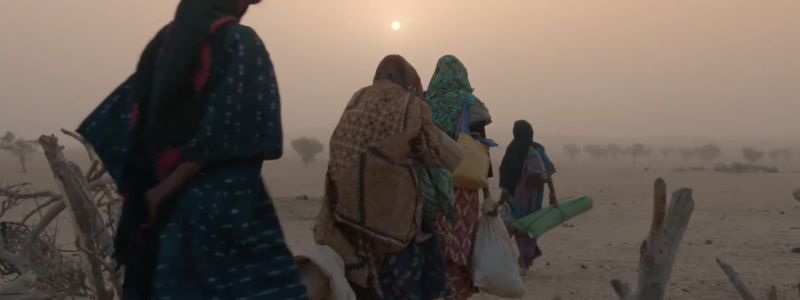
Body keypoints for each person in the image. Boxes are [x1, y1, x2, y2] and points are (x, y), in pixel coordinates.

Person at [75, 1, 308, 299]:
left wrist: (151, 192)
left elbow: (126, 120)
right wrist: (166, 188)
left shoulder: (165, 42)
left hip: (162, 216)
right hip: (228, 214)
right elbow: (230, 129)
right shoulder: (240, 41)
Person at [314, 54, 451, 300]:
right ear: (409, 81)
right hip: (388, 213)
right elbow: (430, 155)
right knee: (426, 243)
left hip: (343, 204)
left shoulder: (358, 96)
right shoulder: (412, 103)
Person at [425, 54, 495, 300]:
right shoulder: (468, 102)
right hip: (463, 186)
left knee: (434, 240)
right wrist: (486, 191)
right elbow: (479, 148)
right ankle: (456, 292)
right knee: (461, 241)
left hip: (429, 186)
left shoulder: (423, 102)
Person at [498, 120, 557, 275]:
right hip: (533, 197)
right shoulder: (537, 149)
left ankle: (524, 257)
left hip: (515, 196)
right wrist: (552, 192)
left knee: (519, 226)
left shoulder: (512, 150)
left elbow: (506, 177)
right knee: (530, 225)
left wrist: (502, 196)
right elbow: (547, 173)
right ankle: (525, 256)